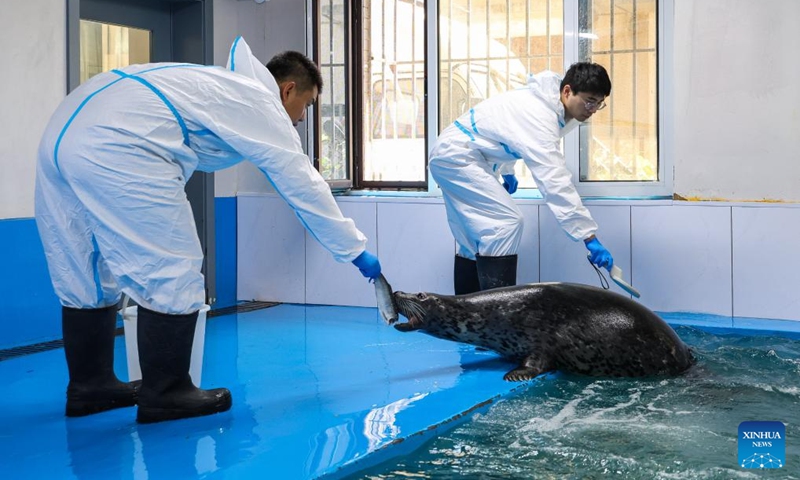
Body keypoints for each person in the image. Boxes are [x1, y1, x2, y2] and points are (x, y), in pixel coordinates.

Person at [34, 37, 381, 423]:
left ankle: (90, 387)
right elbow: (302, 183)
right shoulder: (257, 101)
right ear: (288, 90)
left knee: (84, 268)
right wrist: (354, 249)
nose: (302, 119)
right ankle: (167, 393)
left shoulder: (217, 87)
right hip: (119, 143)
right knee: (173, 267)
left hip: (62, 132)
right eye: (307, 106)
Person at [428, 62, 615, 294]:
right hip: (457, 156)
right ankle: (496, 313)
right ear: (567, 91)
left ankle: (464, 320)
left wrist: (507, 171)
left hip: (463, 154)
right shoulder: (540, 114)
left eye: (599, 103)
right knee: (506, 223)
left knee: (471, 240)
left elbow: (508, 132)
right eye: (589, 100)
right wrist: (588, 236)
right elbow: (555, 181)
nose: (593, 109)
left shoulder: (553, 107)